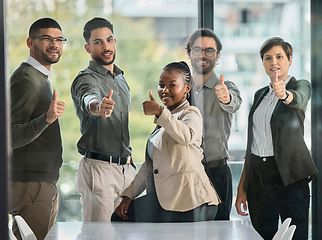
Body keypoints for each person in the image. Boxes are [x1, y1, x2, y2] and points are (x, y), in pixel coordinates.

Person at [111, 61, 220, 222]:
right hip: (168, 199)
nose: (165, 90)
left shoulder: (191, 113)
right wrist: (128, 196)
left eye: (172, 85)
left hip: (194, 201)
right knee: (119, 217)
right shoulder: (163, 122)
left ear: (187, 88)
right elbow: (149, 168)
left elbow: (186, 136)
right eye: (161, 85)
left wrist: (160, 112)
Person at [235, 37, 318, 240]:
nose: (274, 62)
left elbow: (299, 99)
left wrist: (286, 95)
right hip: (258, 176)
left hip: (290, 175)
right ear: (263, 63)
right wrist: (242, 188)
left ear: (290, 60)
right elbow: (253, 144)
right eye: (267, 58)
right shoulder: (259, 94)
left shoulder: (300, 85)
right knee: (261, 234)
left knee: (295, 234)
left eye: (279, 57)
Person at [71, 17, 136, 222]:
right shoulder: (86, 78)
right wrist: (98, 106)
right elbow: (88, 98)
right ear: (87, 47)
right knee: (98, 235)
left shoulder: (121, 78)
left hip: (126, 171)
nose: (105, 46)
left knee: (127, 234)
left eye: (109, 40)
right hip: (99, 171)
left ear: (114, 41)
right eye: (98, 42)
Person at [9, 18, 66, 240]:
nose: (54, 44)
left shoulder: (39, 77)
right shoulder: (25, 78)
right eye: (46, 39)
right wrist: (47, 118)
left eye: (59, 39)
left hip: (41, 183)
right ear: (30, 43)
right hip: (31, 185)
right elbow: (11, 136)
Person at [186, 28, 242, 220]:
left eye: (209, 50)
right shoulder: (181, 89)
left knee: (218, 232)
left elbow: (233, 102)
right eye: (197, 50)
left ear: (217, 56)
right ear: (189, 53)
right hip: (185, 175)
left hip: (216, 173)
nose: (203, 55)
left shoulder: (226, 87)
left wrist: (225, 98)